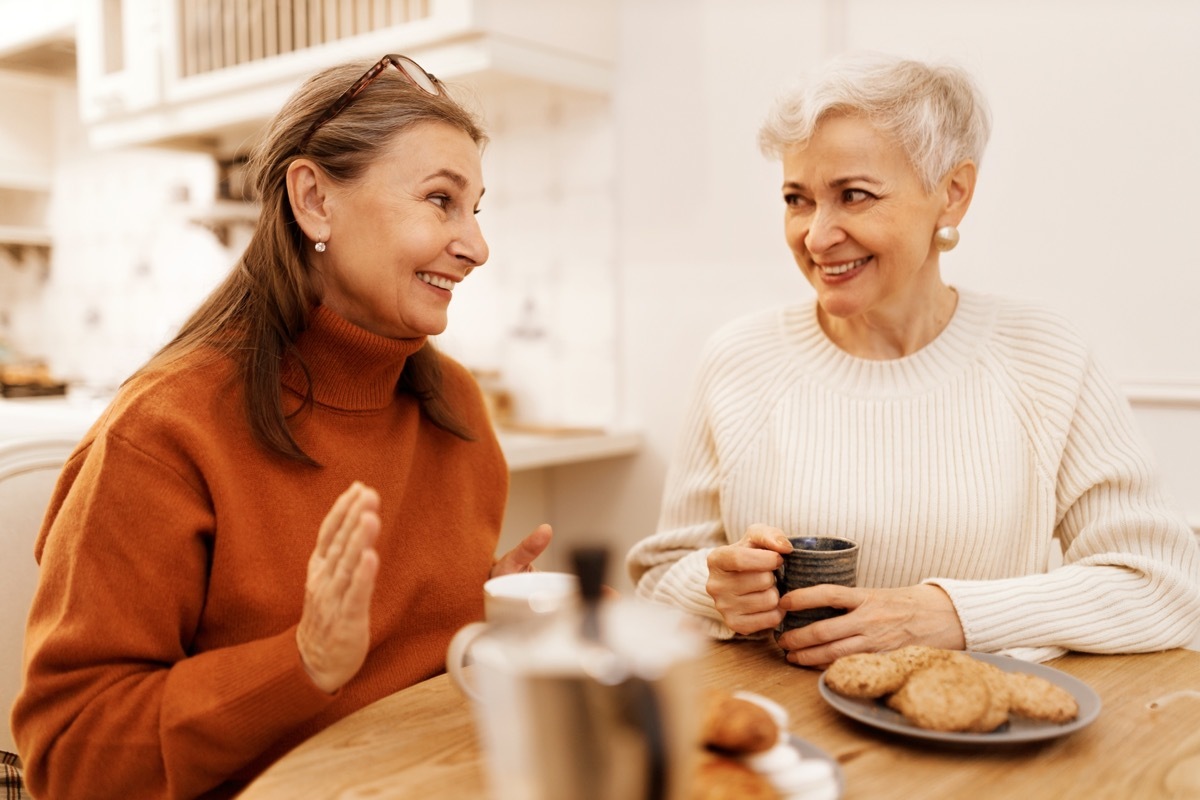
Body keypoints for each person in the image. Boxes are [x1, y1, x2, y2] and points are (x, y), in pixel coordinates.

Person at [11, 54, 553, 799]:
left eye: (476, 209)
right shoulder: (163, 434)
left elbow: (403, 680)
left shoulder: (454, 409)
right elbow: (69, 757)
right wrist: (301, 665)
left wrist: (489, 612)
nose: (476, 246)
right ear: (314, 201)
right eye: (439, 200)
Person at [626, 52, 1200, 669]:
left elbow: (1164, 584)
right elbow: (660, 576)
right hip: (787, 743)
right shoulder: (739, 357)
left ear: (952, 195)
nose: (817, 236)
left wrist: (945, 616)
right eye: (797, 199)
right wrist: (720, 591)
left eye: (855, 195)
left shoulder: (1044, 355)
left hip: (980, 746)